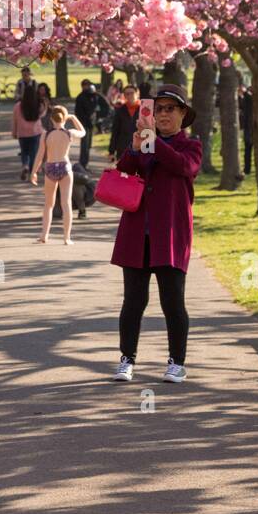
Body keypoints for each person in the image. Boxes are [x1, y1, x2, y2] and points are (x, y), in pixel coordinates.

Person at [110, 85, 202, 385]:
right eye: (158, 108)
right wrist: (135, 146)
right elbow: (123, 169)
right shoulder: (144, 143)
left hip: (171, 237)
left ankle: (176, 363)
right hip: (137, 233)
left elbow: (182, 166)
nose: (163, 114)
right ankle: (127, 359)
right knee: (133, 303)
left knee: (173, 303)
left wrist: (154, 142)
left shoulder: (191, 147)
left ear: (183, 114)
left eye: (170, 109)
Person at [30, 106, 86, 244]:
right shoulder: (69, 133)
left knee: (48, 204)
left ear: (51, 118)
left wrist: (34, 172)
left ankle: (44, 235)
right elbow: (83, 132)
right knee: (66, 204)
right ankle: (67, 238)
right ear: (64, 117)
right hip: (65, 167)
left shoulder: (46, 134)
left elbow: (39, 155)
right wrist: (73, 118)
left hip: (50, 167)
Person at [12, 81, 45, 179]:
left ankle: (25, 166)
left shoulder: (18, 106)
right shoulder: (38, 104)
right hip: (35, 132)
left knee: (24, 151)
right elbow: (42, 114)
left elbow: (15, 120)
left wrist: (14, 132)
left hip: (22, 133)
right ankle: (32, 171)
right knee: (33, 152)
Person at [75, 78, 110, 167]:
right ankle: (83, 163)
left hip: (92, 123)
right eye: (84, 85)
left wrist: (98, 115)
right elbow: (78, 112)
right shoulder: (80, 97)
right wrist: (84, 120)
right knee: (84, 144)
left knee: (88, 144)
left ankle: (85, 163)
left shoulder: (96, 95)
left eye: (88, 85)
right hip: (84, 124)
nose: (86, 87)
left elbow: (106, 106)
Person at [108, 84, 141, 162]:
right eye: (127, 94)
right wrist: (111, 151)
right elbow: (115, 131)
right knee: (124, 173)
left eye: (132, 93)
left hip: (141, 148)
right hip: (123, 148)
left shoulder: (145, 109)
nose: (129, 96)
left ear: (137, 94)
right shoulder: (120, 110)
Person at [240, 83, 254, 175]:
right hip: (249, 127)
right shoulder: (249, 100)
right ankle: (247, 168)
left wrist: (244, 92)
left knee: (248, 149)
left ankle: (247, 169)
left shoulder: (252, 99)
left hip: (251, 127)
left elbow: (248, 98)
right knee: (248, 149)